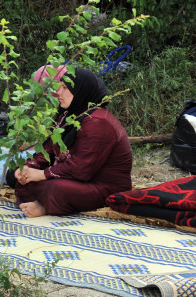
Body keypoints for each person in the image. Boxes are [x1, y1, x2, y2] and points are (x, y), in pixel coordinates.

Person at [14, 66, 133, 218]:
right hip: (74, 180)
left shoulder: (98, 122)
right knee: (18, 177)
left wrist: (41, 174)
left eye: (65, 88)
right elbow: (49, 148)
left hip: (102, 186)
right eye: (60, 87)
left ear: (80, 91)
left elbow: (81, 169)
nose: (59, 93)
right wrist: (29, 168)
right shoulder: (69, 115)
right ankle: (47, 201)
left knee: (55, 188)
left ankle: (46, 205)